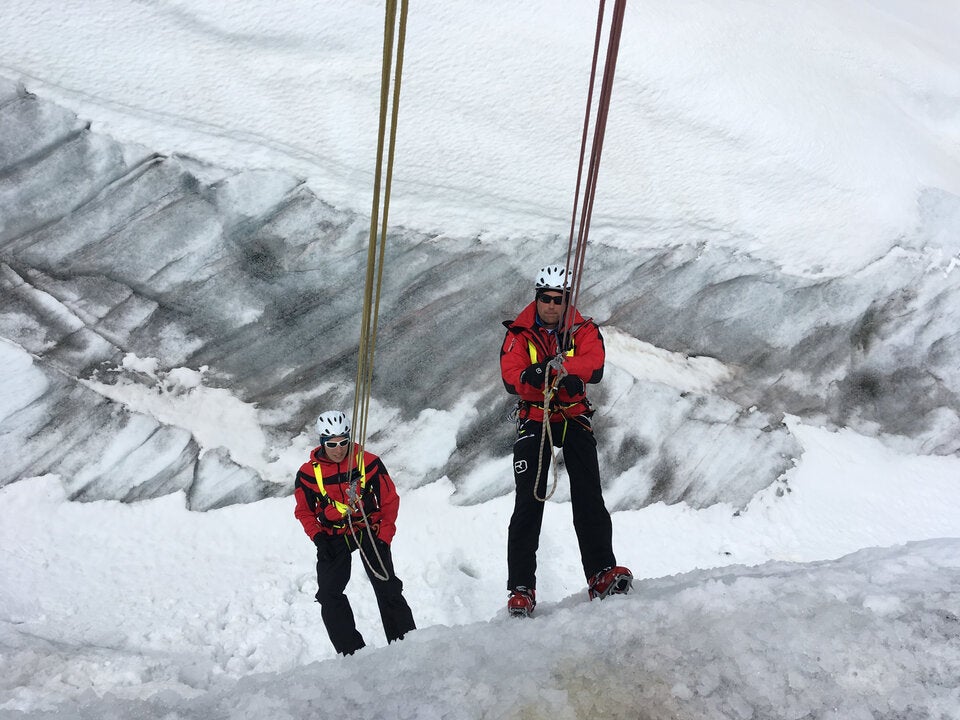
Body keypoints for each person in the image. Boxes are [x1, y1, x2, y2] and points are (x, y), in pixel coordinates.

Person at [499, 264, 632, 617]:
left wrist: (567, 372)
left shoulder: (582, 328)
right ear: (537, 297)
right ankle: (521, 588)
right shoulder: (519, 333)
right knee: (529, 501)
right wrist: (539, 374)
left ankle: (601, 572)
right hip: (536, 415)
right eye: (546, 299)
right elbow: (511, 377)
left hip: (572, 414)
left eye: (559, 300)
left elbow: (596, 364)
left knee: (589, 494)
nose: (552, 306)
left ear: (566, 300)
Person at [294, 410, 416, 655]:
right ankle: (353, 653)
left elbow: (389, 500)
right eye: (331, 444)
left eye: (343, 443)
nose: (338, 449)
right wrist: (318, 538)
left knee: (387, 585)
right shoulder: (308, 474)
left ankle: (406, 646)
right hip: (333, 534)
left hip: (367, 528)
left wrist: (384, 537)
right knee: (329, 595)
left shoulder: (368, 462)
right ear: (321, 442)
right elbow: (304, 511)